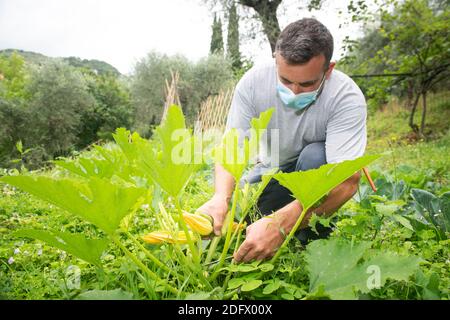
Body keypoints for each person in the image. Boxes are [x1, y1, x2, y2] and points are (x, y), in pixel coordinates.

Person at [197, 18, 367, 263]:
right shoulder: (253, 82)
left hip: (313, 174)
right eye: (286, 81)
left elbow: (347, 181)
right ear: (276, 60)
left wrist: (280, 225)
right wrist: (220, 197)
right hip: (271, 172)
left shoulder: (345, 97)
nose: (294, 92)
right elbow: (232, 147)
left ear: (328, 70)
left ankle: (310, 237)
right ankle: (287, 218)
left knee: (315, 156)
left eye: (307, 83)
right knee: (237, 226)